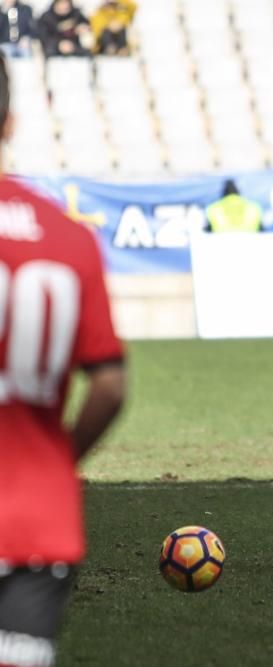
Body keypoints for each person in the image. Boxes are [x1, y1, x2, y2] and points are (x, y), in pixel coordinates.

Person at [0, 52, 126, 667]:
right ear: (10, 123)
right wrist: (57, 459)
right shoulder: (68, 236)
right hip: (34, 517)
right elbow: (109, 385)